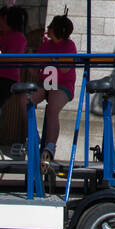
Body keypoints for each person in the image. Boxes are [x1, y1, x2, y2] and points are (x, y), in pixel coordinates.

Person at [30, 13, 77, 162]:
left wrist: (51, 59)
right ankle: (32, 135)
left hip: (63, 84)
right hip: (46, 82)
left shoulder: (69, 46)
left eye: (50, 26)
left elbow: (65, 69)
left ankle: (50, 145)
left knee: (52, 108)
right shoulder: (46, 44)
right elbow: (34, 69)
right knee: (26, 101)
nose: (48, 28)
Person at [0, 4, 28, 156]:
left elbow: (12, 59)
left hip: (7, 79)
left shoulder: (19, 38)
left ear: (7, 20)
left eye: (0, 18)